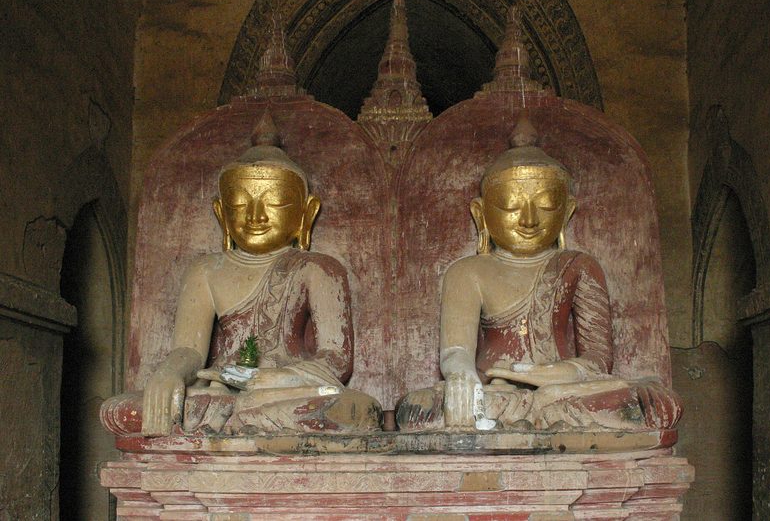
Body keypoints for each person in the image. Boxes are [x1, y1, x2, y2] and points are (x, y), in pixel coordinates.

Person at [395, 114, 682, 432]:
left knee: (656, 405)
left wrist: (540, 375)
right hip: (495, 393)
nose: (528, 219)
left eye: (545, 205)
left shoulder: (578, 266)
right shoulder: (468, 271)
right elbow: (457, 351)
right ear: (482, 214)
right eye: (510, 206)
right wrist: (461, 375)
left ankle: (539, 414)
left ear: (567, 211)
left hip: (559, 390)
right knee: (417, 411)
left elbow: (598, 361)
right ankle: (541, 417)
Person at [101, 113, 382, 436]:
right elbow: (189, 350)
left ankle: (236, 422)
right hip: (222, 390)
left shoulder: (318, 268)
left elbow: (335, 358)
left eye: (274, 202)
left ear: (306, 214)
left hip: (286, 390)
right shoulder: (206, 270)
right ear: (221, 213)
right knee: (121, 410)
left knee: (360, 411)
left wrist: (282, 378)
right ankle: (239, 420)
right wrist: (169, 374)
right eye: (239, 204)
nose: (256, 216)